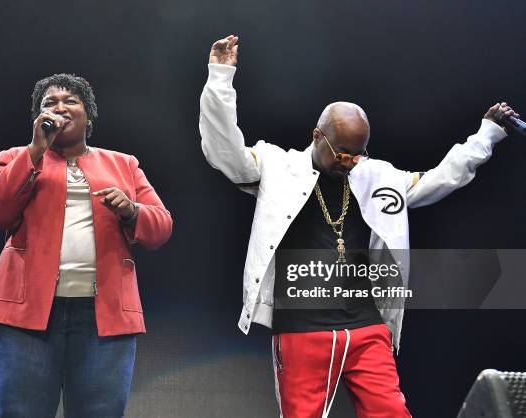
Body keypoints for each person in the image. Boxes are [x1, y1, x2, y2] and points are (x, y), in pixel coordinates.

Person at [199, 35, 519, 418]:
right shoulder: (276, 167)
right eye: (343, 153)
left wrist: (486, 134)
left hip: (366, 327)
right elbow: (225, 152)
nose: (350, 161)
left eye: (358, 153)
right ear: (317, 137)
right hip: (302, 328)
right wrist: (220, 78)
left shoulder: (375, 176)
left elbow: (440, 179)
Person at [0, 73, 172, 418]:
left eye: (71, 101)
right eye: (49, 103)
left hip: (103, 316)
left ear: (88, 116)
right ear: (39, 117)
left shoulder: (124, 164)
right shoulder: (14, 157)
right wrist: (36, 151)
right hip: (26, 315)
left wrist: (131, 210)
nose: (59, 107)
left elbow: (161, 226)